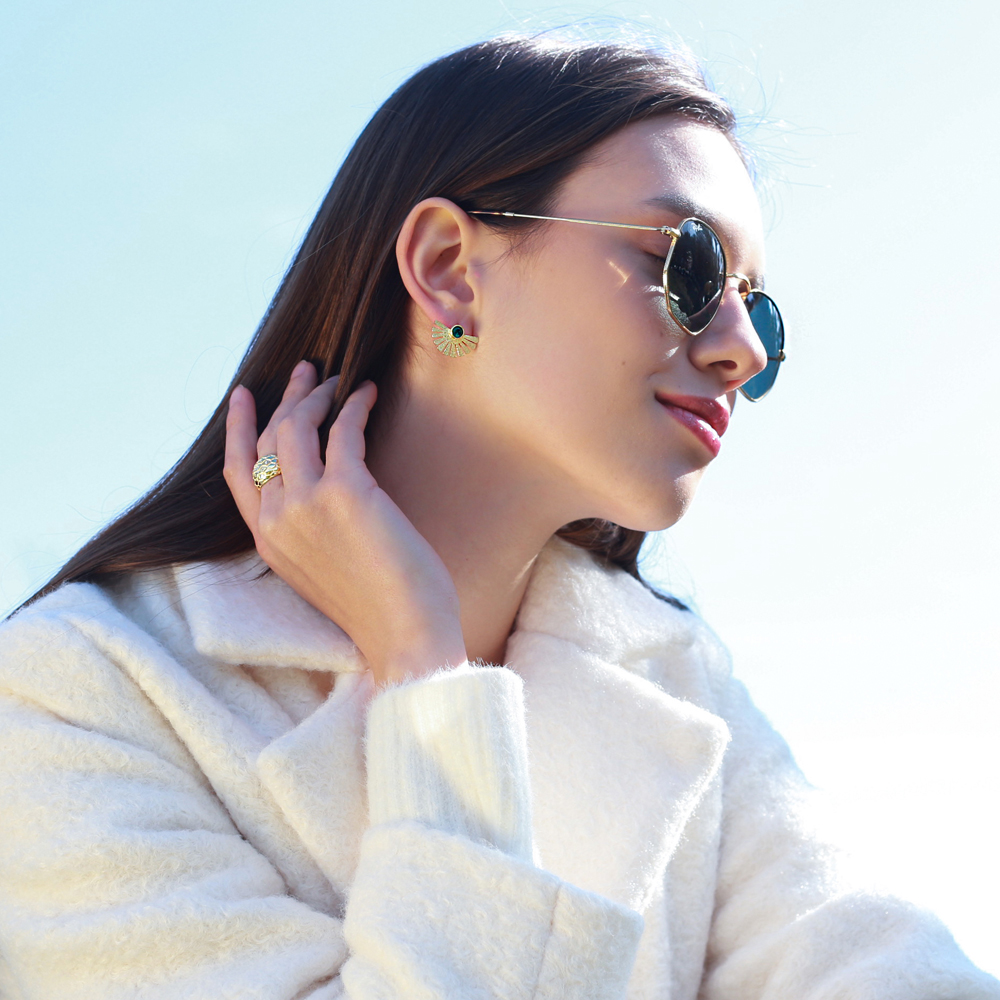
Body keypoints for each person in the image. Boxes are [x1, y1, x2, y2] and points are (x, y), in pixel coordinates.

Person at [0, 34, 995, 1000]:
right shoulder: (75, 697)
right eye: (688, 266)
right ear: (446, 267)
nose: (739, 347)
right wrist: (427, 676)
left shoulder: (682, 684)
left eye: (759, 308)